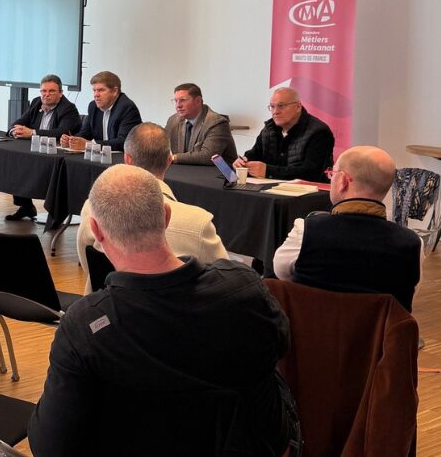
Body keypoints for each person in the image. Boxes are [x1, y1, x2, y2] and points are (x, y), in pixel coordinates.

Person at [29, 165, 295, 456]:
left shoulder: (85, 328)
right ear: (166, 216)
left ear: (95, 231)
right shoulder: (245, 289)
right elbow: (280, 346)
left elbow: (49, 445)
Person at [77, 123, 228, 293]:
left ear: (127, 159)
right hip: (179, 316)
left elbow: (87, 264)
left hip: (108, 308)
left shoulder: (93, 208)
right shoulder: (198, 223)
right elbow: (223, 281)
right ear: (169, 161)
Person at [272, 145, 422, 311]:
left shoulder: (306, 231)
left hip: (310, 333)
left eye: (332, 174)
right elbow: (405, 297)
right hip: (378, 336)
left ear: (343, 180)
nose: (331, 179)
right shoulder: (412, 244)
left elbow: (281, 273)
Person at [6, 74, 82, 221]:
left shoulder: (69, 108)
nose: (46, 95)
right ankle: (26, 206)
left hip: (58, 156)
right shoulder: (36, 103)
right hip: (37, 152)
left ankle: (56, 214)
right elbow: (18, 122)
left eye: (51, 91)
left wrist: (32, 133)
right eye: (43, 91)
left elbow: (61, 133)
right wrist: (14, 131)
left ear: (60, 93)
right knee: (17, 161)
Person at [233, 87, 334, 182]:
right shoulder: (269, 129)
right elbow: (255, 153)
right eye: (272, 107)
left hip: (308, 195)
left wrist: (268, 171)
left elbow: (312, 173)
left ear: (298, 107)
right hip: (272, 189)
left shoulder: (319, 132)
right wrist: (244, 161)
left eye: (281, 106)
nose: (275, 112)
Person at [60, 71, 141, 151]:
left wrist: (90, 145)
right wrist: (72, 140)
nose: (96, 95)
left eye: (101, 90)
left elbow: (123, 142)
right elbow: (86, 133)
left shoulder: (127, 108)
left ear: (114, 91)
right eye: (94, 90)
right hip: (101, 157)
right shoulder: (93, 106)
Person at [164, 82, 237, 164]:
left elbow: (208, 156)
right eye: (176, 101)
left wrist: (173, 158)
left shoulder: (217, 122)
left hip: (215, 174)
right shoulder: (173, 120)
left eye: (183, 100)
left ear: (198, 101)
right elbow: (161, 145)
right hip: (185, 171)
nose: (178, 106)